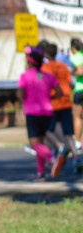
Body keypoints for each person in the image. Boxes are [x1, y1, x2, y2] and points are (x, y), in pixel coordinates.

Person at [18, 45, 63, 181]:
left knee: (34, 144)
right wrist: (49, 97)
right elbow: (59, 92)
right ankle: (40, 173)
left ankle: (52, 158)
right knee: (41, 142)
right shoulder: (48, 76)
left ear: (30, 61)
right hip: (48, 112)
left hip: (32, 112)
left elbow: (21, 94)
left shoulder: (25, 76)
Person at [39, 41, 78, 174]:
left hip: (53, 103)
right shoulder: (63, 66)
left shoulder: (45, 68)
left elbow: (43, 86)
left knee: (47, 130)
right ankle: (76, 159)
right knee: (68, 133)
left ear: (47, 54)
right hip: (66, 101)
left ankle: (60, 147)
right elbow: (71, 84)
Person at [71, 38, 83, 156]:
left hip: (80, 89)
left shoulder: (77, 56)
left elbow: (80, 71)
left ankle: (78, 142)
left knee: (78, 117)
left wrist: (71, 71)